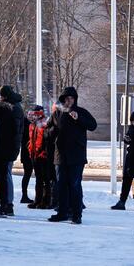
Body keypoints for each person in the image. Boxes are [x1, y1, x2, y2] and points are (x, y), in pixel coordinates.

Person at [47, 87, 97, 225]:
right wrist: (52, 133)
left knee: (74, 185)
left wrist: (79, 118)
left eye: (71, 98)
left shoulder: (81, 112)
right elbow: (48, 129)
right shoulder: (57, 113)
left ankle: (76, 214)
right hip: (60, 155)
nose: (68, 101)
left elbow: (93, 125)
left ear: (75, 99)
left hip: (76, 155)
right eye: (66, 99)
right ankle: (62, 212)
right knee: (61, 185)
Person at [112, 111, 134, 211]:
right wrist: (126, 139)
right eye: (133, 122)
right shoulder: (131, 128)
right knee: (126, 179)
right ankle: (122, 201)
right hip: (131, 157)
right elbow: (128, 139)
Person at [0, 85, 25, 213]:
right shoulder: (15, 107)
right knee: (6, 174)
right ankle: (7, 203)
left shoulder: (13, 109)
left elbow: (13, 130)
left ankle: (8, 203)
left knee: (6, 175)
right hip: (11, 146)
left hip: (9, 147)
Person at [27, 106, 52, 209]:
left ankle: (46, 201)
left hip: (43, 156)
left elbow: (47, 141)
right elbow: (31, 140)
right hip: (34, 155)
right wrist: (30, 150)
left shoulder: (44, 124)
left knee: (46, 179)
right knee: (38, 179)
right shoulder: (32, 125)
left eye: (34, 114)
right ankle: (38, 200)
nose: (32, 116)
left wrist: (44, 152)